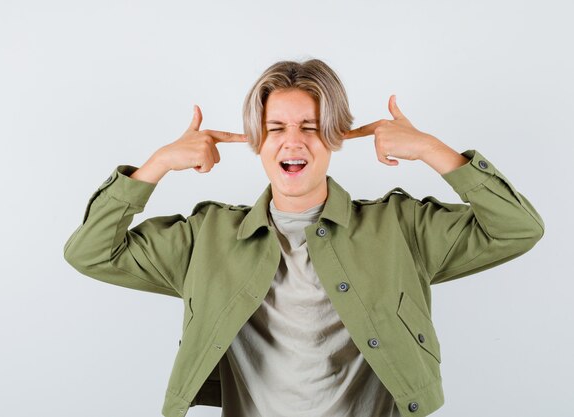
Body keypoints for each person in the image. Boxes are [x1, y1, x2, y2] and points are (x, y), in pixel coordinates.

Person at [63, 58, 545, 417]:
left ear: (335, 137)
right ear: (257, 141)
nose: (292, 141)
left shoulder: (401, 228)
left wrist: (430, 149)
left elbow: (517, 228)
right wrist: (158, 165)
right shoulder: (205, 239)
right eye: (275, 128)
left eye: (310, 128)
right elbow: (91, 252)